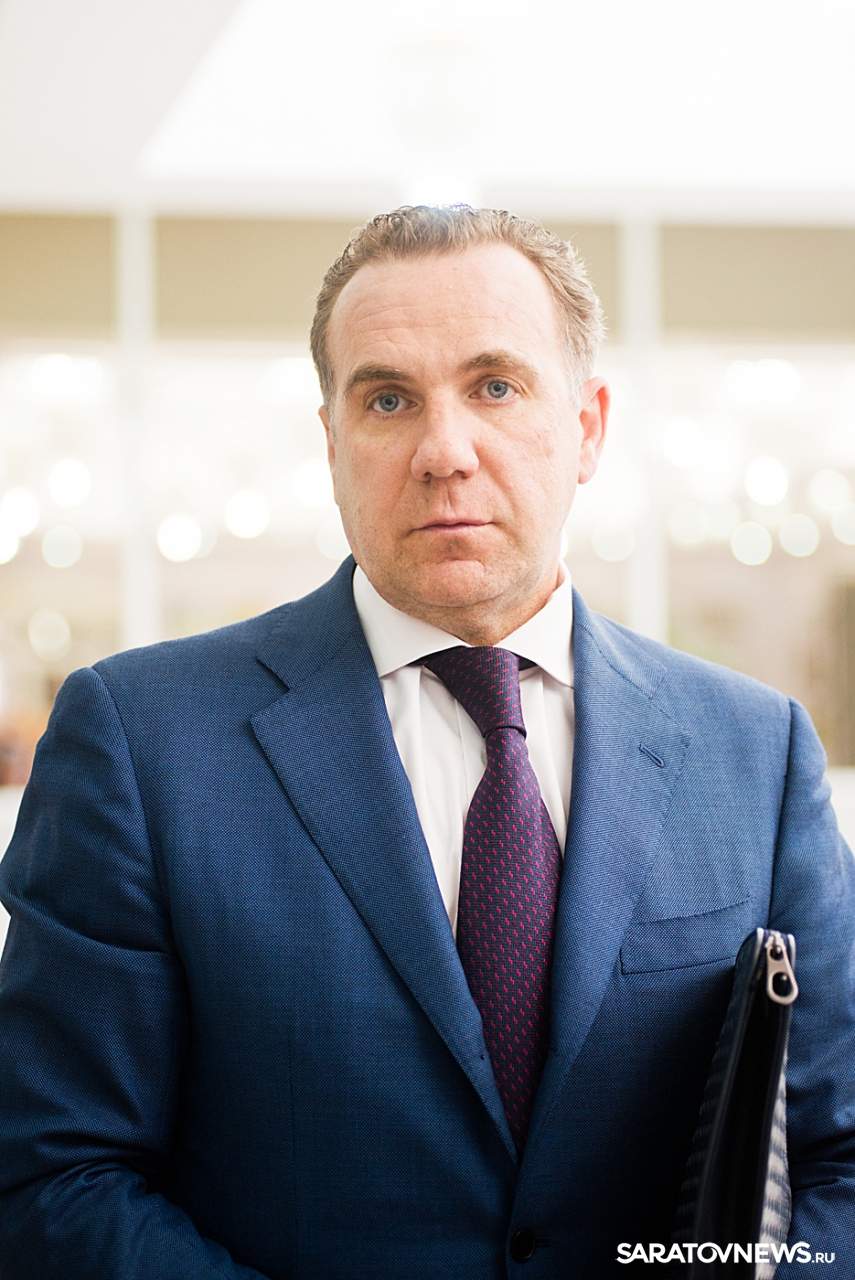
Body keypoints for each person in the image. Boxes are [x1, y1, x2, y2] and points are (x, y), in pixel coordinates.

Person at [0, 205, 853, 1279]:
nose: (444, 452)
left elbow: (838, 1159)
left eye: (495, 386)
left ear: (587, 428)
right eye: (389, 399)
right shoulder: (140, 742)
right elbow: (55, 1177)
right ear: (332, 443)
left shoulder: (755, 751)